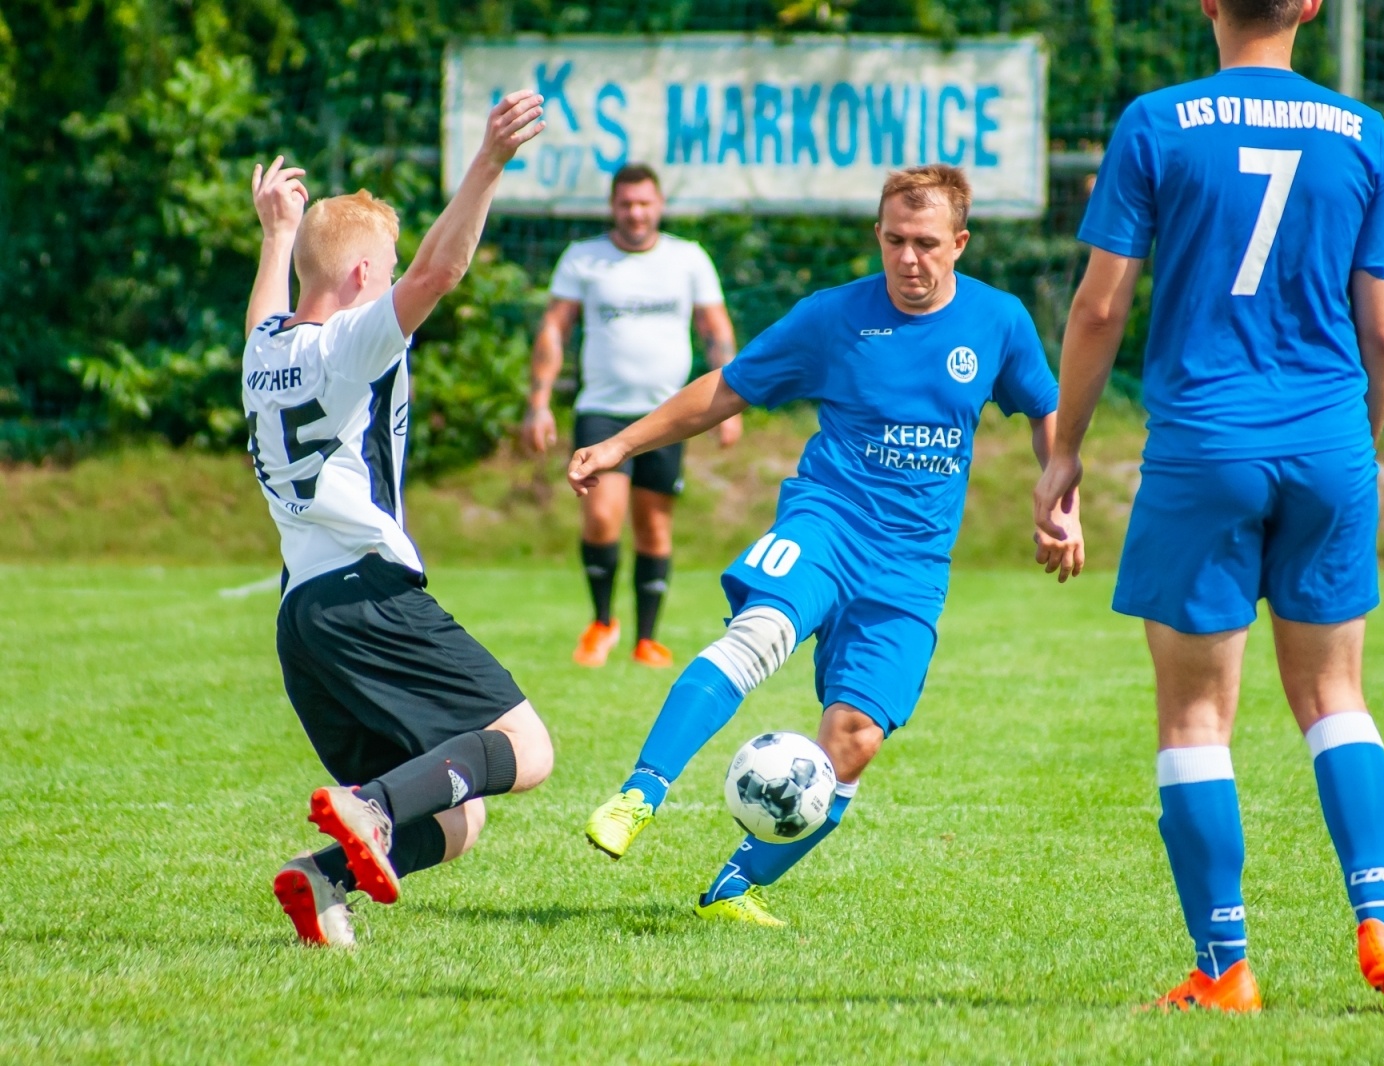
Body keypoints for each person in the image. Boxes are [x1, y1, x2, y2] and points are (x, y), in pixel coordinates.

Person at [1032, 0, 1384, 1012]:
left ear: (1207, 3)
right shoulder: (1362, 132)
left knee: (1195, 714)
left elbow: (1098, 305)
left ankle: (1223, 967)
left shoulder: (1156, 122)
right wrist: (1353, 443)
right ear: (1309, 6)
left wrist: (1064, 452)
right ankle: (1382, 921)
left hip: (1204, 445)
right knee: (1333, 696)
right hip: (1326, 440)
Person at [571, 164, 1083, 926]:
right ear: (878, 236)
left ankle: (732, 891)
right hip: (827, 520)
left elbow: (1048, 411)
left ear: (961, 244)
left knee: (855, 739)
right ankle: (640, 793)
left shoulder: (998, 320)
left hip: (912, 565)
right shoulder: (833, 316)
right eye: (896, 240)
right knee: (761, 632)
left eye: (928, 244)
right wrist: (621, 446)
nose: (910, 259)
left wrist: (1061, 502)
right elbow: (726, 387)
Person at [242, 91, 555, 947]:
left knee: (461, 816)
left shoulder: (264, 350)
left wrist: (276, 233)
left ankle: (320, 878)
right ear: (361, 279)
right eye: (381, 268)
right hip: (368, 596)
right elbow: (439, 273)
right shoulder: (351, 344)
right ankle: (371, 813)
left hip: (301, 620)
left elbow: (267, 304)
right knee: (525, 749)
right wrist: (487, 163)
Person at [523, 164, 741, 670]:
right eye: (626, 204)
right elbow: (554, 329)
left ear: (659, 204)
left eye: (644, 203)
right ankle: (601, 623)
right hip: (602, 410)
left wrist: (729, 406)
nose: (635, 213)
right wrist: (538, 402)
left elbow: (716, 330)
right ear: (612, 207)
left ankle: (647, 640)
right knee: (601, 515)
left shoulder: (688, 259)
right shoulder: (584, 259)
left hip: (670, 414)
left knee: (654, 527)